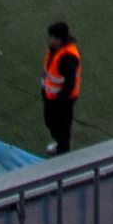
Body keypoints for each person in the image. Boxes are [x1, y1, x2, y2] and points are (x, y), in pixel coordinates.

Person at [40, 22, 82, 155]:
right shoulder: (55, 50)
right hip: (51, 96)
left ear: (59, 39)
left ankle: (63, 148)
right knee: (51, 122)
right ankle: (62, 143)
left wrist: (59, 101)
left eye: (52, 37)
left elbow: (69, 84)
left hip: (62, 99)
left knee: (60, 125)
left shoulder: (68, 58)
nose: (49, 39)